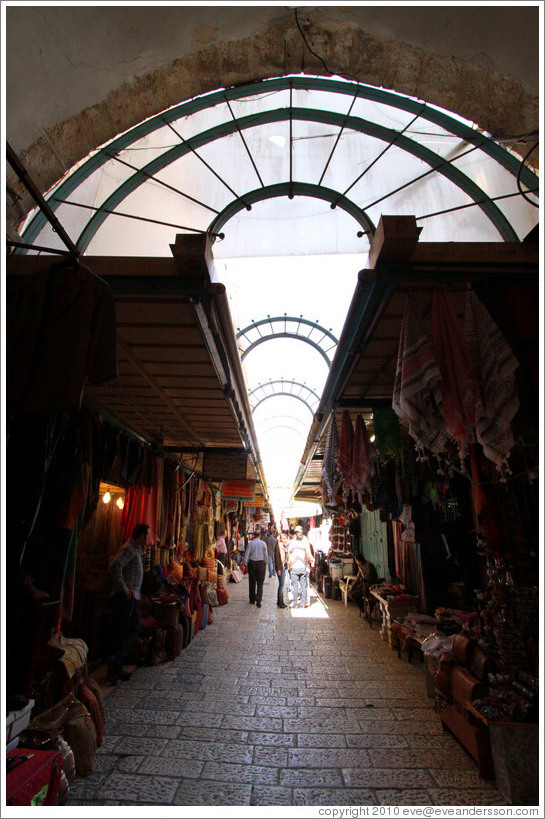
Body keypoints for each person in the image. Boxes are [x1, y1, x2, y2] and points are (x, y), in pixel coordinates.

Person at [107, 522, 150, 685]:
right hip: (125, 597)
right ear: (141, 535)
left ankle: (117, 662)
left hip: (132, 597)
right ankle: (116, 663)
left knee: (131, 628)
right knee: (125, 629)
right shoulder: (129, 549)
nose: (149, 538)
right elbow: (115, 566)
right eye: (147, 535)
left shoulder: (137, 550)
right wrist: (123, 588)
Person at [287, 525, 314, 608]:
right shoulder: (305, 540)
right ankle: (305, 602)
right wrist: (311, 562)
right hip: (304, 566)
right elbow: (309, 554)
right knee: (305, 585)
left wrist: (289, 566)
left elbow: (290, 555)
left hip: (296, 566)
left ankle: (295, 603)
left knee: (295, 585)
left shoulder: (293, 541)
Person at [241, 529, 267, 607]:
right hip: (261, 564)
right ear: (260, 535)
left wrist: (244, 563)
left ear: (254, 535)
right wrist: (265, 564)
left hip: (252, 564)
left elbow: (247, 554)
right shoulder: (263, 544)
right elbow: (266, 556)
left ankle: (252, 599)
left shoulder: (251, 544)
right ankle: (258, 599)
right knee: (260, 583)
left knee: (252, 582)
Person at [274, 532, 288, 608]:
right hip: (281, 567)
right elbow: (277, 558)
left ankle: (280, 601)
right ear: (282, 539)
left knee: (282, 584)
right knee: (281, 584)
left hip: (283, 567)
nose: (286, 540)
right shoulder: (278, 546)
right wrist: (279, 569)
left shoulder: (282, 546)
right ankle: (280, 602)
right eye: (285, 538)